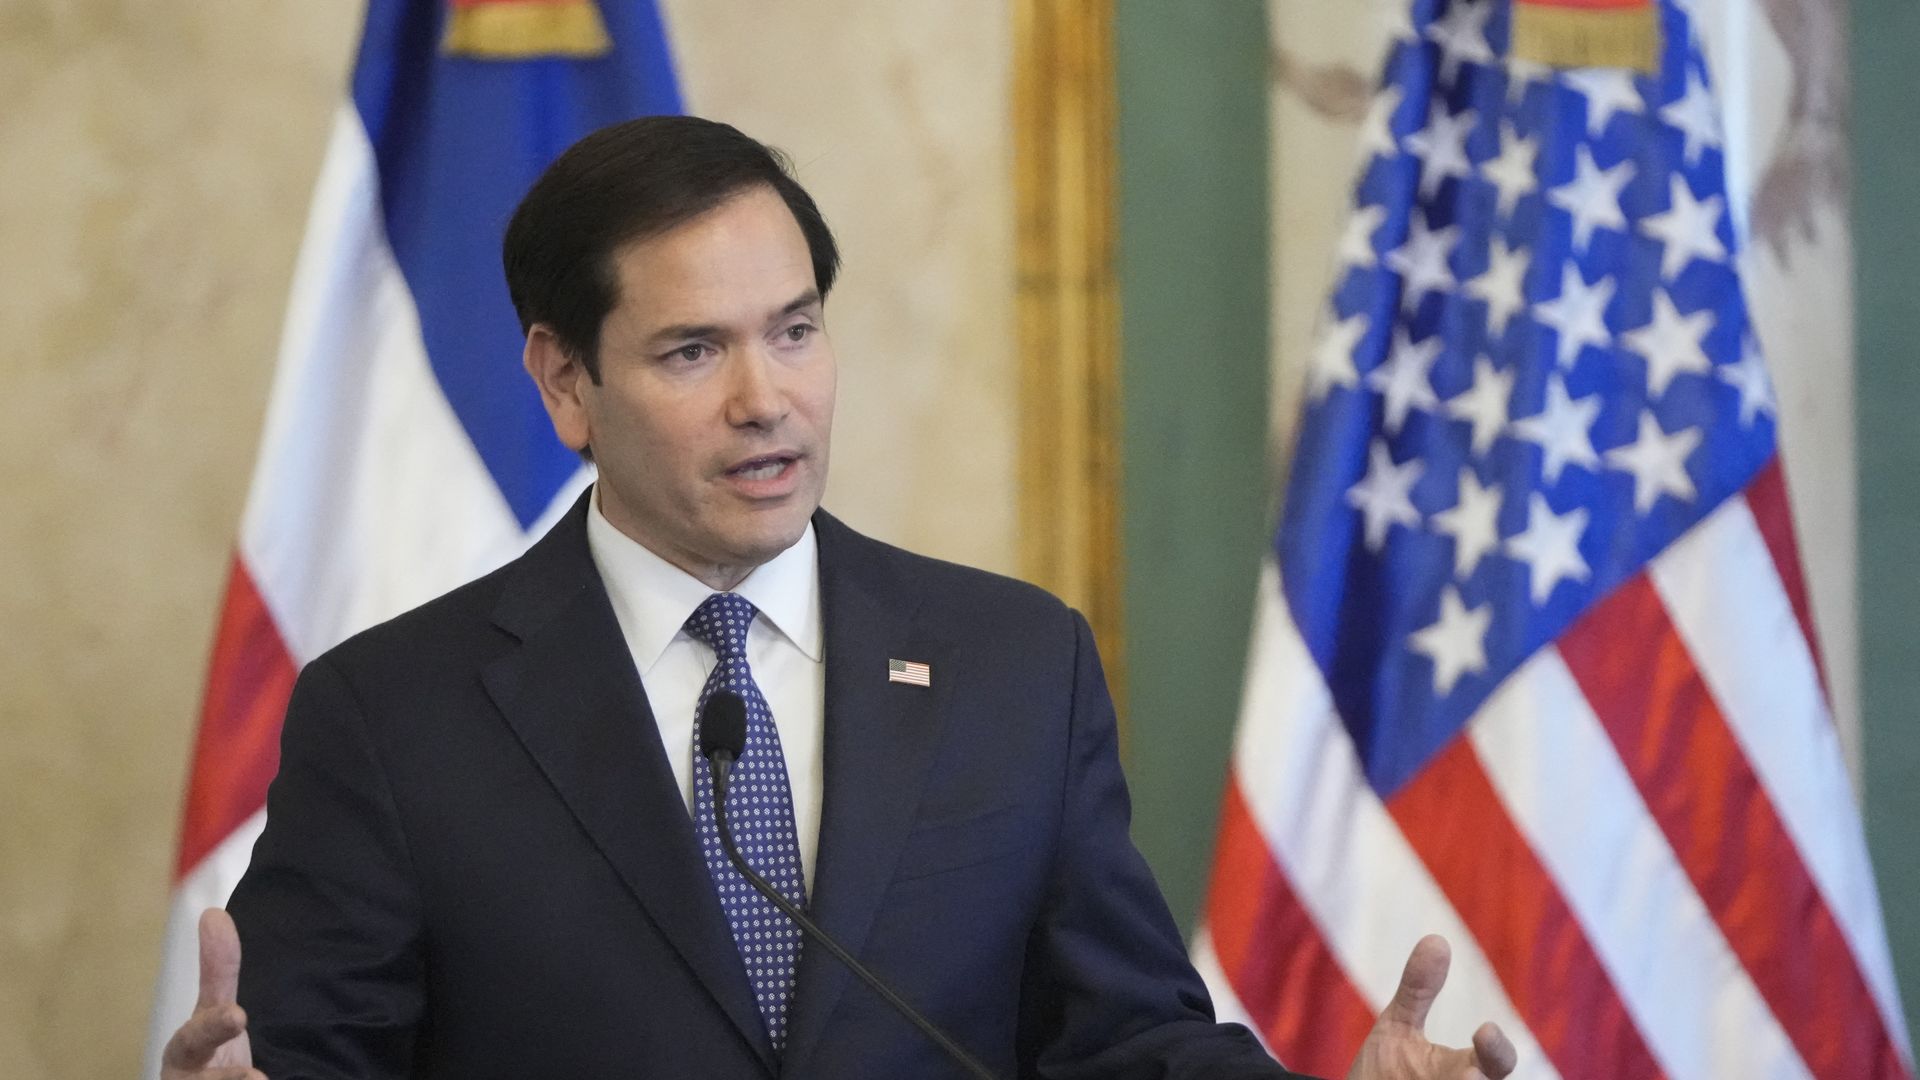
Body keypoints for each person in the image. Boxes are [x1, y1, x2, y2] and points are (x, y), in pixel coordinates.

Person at [160, 116, 1517, 1080]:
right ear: (563, 381)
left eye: (795, 329)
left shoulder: (1011, 664)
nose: (770, 400)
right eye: (694, 350)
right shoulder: (398, 714)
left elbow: (1126, 1040)